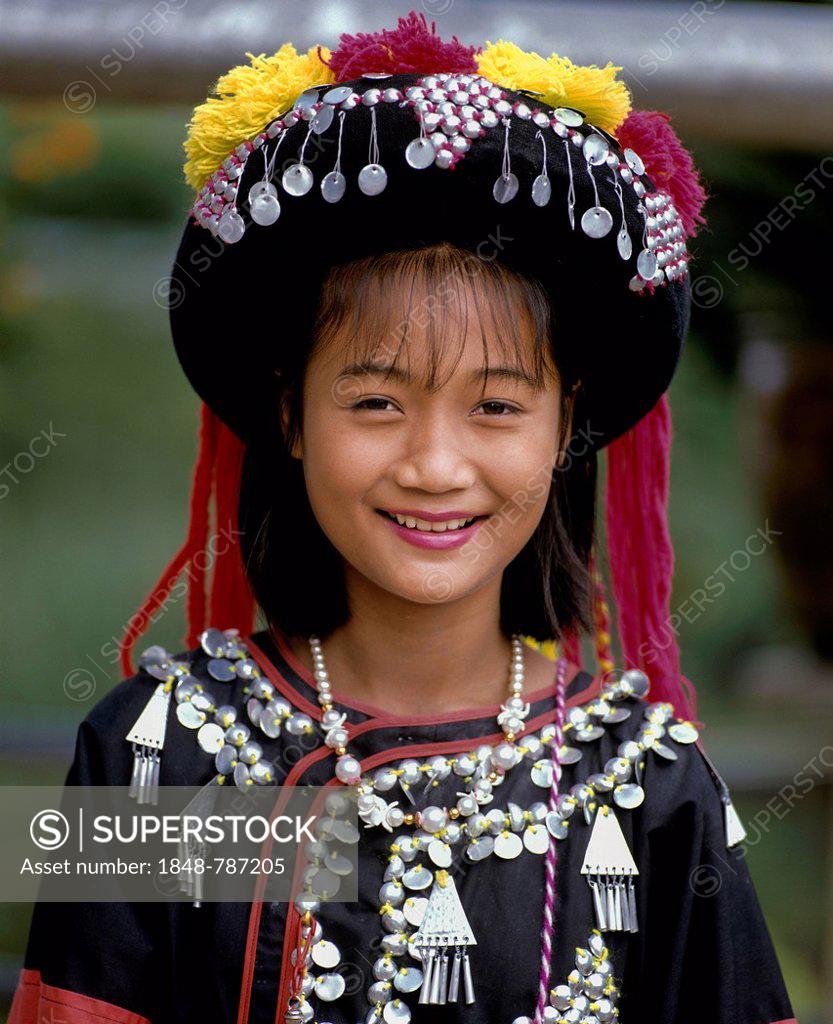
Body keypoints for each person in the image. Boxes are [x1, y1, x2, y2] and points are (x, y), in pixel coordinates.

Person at [10, 12, 797, 1024]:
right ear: (290, 415)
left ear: (566, 429)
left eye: (497, 406)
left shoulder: (646, 787)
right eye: (375, 401)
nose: (433, 464)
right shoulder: (157, 761)